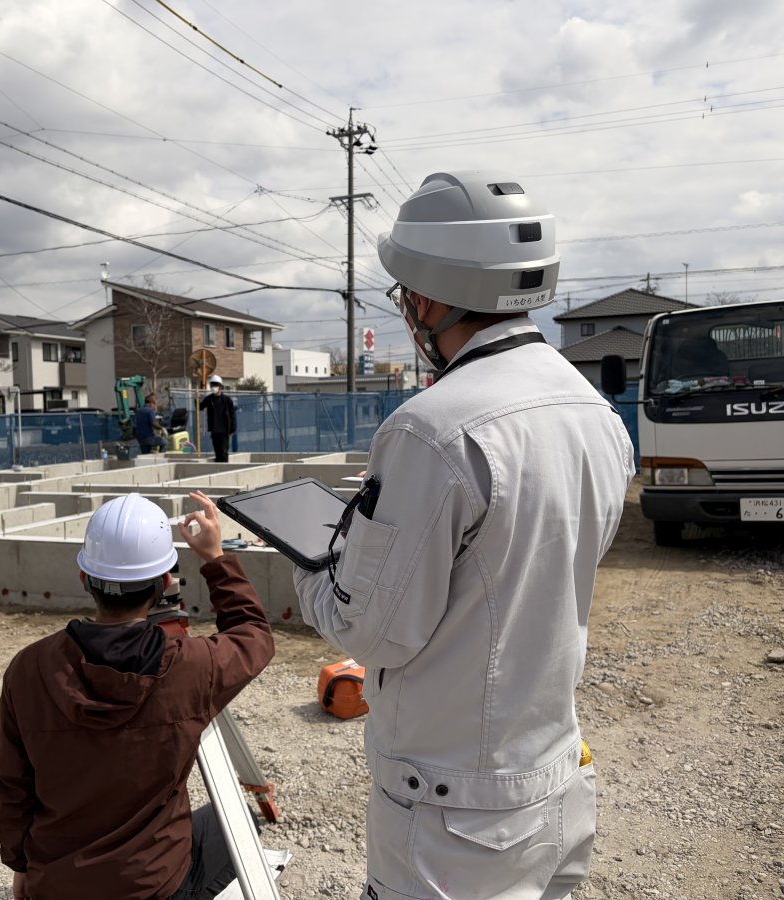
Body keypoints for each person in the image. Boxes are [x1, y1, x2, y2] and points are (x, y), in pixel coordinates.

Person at [293, 172, 636, 900]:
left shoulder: (433, 429)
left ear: (431, 296)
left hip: (454, 819)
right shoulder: (595, 413)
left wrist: (312, 566)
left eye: (407, 293)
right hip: (554, 777)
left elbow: (375, 632)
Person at [0, 491, 274, 900]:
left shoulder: (29, 668)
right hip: (153, 886)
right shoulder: (192, 667)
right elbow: (253, 637)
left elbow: (9, 789)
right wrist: (216, 558)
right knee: (239, 822)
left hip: (58, 886)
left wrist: (24, 867)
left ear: (84, 578)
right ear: (165, 582)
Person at [198, 375, 236, 462]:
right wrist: (196, 399)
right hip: (214, 431)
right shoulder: (209, 399)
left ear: (220, 387)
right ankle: (218, 468)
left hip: (224, 431)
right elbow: (200, 407)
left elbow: (232, 415)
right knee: (217, 452)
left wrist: (232, 429)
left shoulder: (227, 400)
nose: (213, 387)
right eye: (212, 385)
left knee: (223, 452)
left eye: (215, 385)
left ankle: (224, 469)